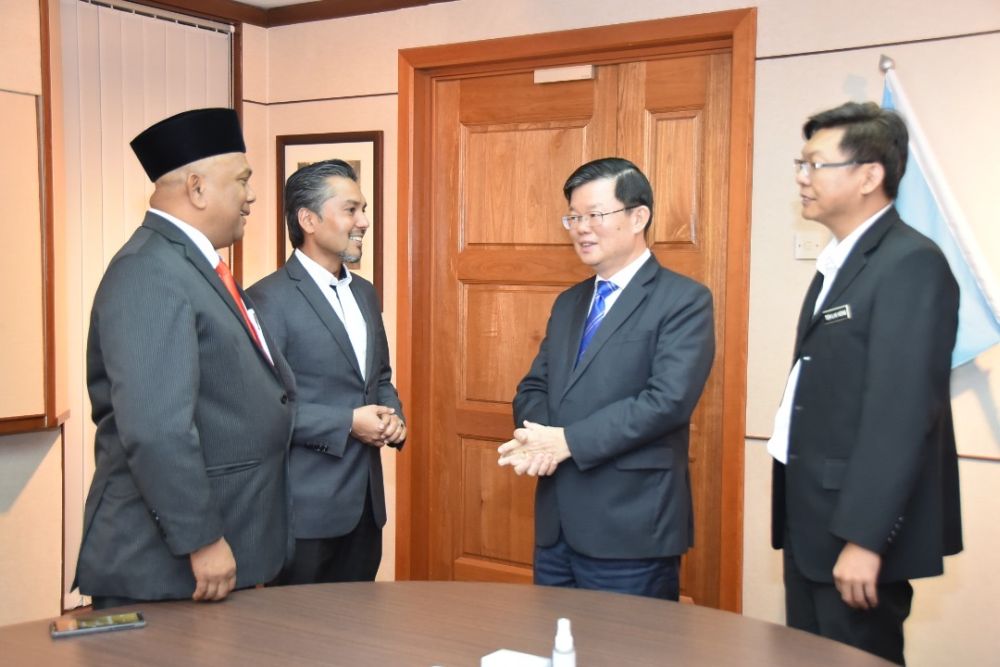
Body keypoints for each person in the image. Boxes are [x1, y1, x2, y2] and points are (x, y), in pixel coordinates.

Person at [75, 108, 297, 609]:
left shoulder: (192, 265)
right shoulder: (149, 272)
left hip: (219, 551)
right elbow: (155, 427)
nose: (253, 195)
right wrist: (200, 538)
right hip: (170, 564)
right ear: (197, 188)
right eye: (242, 180)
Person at [769, 101, 962, 664]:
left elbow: (900, 413)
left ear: (869, 176)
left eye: (815, 165)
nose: (802, 179)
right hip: (813, 522)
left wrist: (866, 537)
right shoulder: (842, 261)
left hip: (853, 531)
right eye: (800, 165)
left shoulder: (909, 263)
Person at [497, 157, 715, 600]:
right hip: (557, 526)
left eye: (594, 215)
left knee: (626, 656)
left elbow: (666, 402)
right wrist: (541, 437)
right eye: (573, 217)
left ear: (639, 217)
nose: (580, 228)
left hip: (631, 526)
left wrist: (568, 442)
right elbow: (532, 387)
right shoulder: (570, 302)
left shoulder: (684, 300)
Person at [248, 159, 405, 584]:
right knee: (296, 643)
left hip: (365, 511)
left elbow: (380, 378)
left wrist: (393, 418)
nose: (365, 222)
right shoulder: (266, 300)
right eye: (351, 210)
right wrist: (348, 423)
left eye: (365, 210)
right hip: (303, 513)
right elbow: (260, 409)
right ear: (309, 220)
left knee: (357, 641)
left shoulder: (366, 294)